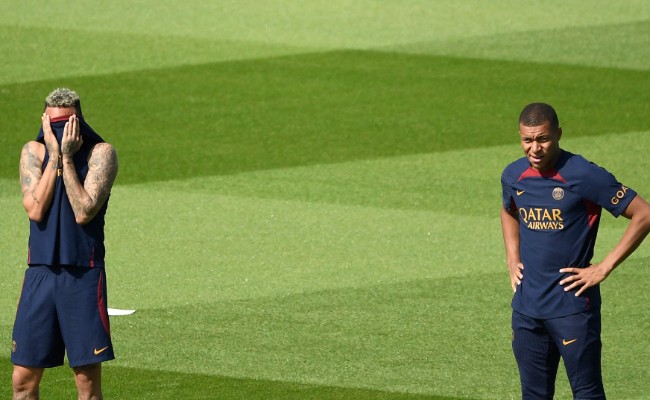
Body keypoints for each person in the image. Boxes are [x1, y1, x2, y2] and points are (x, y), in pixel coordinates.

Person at [500, 103, 650, 399]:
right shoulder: (513, 175)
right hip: (527, 309)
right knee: (533, 395)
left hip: (572, 308)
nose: (535, 149)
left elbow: (643, 214)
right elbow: (508, 209)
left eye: (543, 139)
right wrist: (512, 256)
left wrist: (603, 267)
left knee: (587, 393)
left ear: (558, 134)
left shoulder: (584, 175)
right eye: (527, 140)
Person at [13, 88, 118, 400]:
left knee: (86, 386)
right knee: (22, 383)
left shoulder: (101, 153)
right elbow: (34, 208)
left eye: (66, 124)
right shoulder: (33, 151)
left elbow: (84, 210)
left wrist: (68, 158)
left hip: (82, 276)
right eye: (53, 124)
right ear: (44, 121)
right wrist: (54, 156)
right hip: (40, 275)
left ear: (79, 121)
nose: (58, 132)